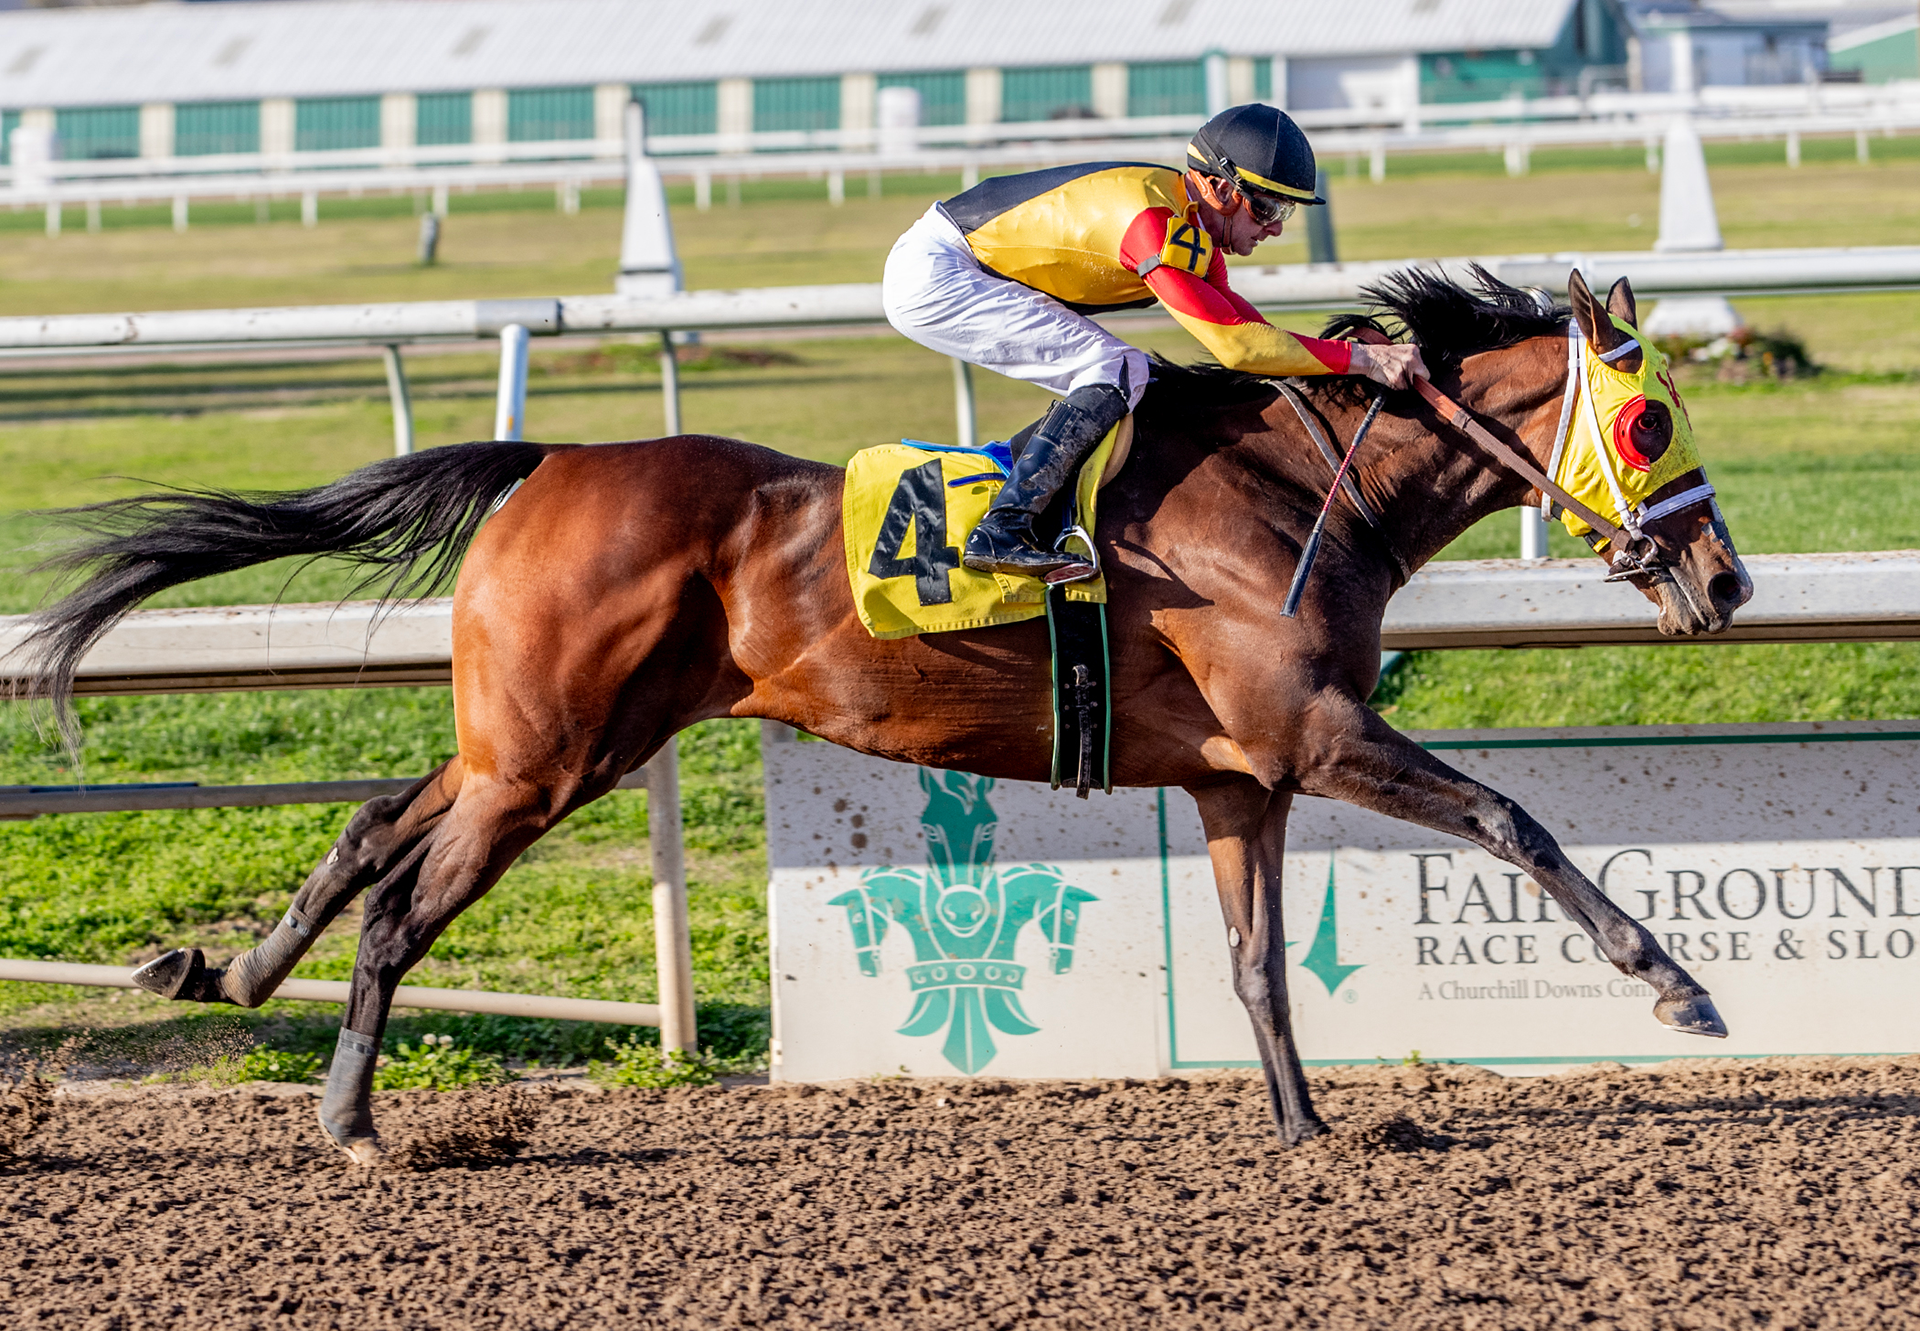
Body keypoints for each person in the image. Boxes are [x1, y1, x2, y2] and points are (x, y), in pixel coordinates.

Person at [883, 103, 1429, 581]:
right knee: (1116, 367)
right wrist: (1360, 358)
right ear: (1219, 187)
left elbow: (1249, 330)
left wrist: (1349, 361)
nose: (1276, 228)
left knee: (1127, 372)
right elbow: (1237, 351)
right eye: (1266, 208)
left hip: (967, 263)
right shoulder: (1156, 222)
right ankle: (1004, 528)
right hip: (938, 271)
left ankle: (1019, 488)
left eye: (1283, 211)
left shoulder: (1191, 225)